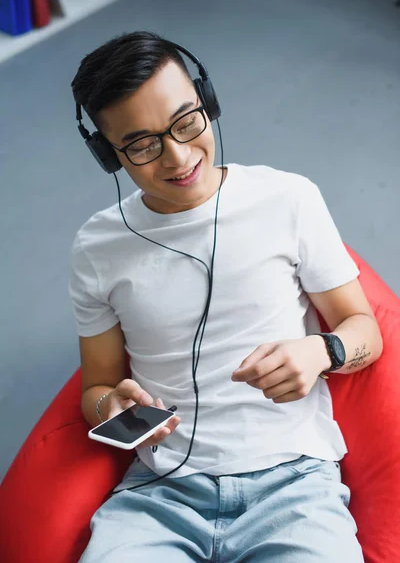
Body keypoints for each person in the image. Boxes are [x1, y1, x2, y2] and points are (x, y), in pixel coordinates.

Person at [69, 31, 382, 563]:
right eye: (143, 145)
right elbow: (96, 387)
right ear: (108, 155)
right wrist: (111, 408)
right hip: (159, 494)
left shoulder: (289, 199)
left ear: (207, 102)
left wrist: (321, 351)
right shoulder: (96, 248)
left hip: (295, 485)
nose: (178, 155)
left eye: (187, 121)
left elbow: (365, 330)